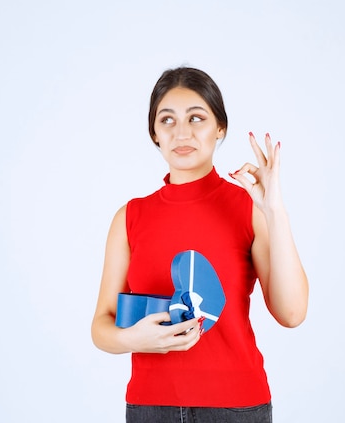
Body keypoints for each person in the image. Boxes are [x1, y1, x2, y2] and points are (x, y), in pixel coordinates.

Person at [91, 66, 309, 422]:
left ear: (220, 128)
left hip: (237, 407)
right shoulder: (129, 218)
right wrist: (137, 340)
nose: (182, 133)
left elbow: (292, 313)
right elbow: (101, 325)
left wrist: (275, 211)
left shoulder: (248, 209)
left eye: (196, 118)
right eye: (167, 120)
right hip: (150, 408)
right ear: (154, 134)